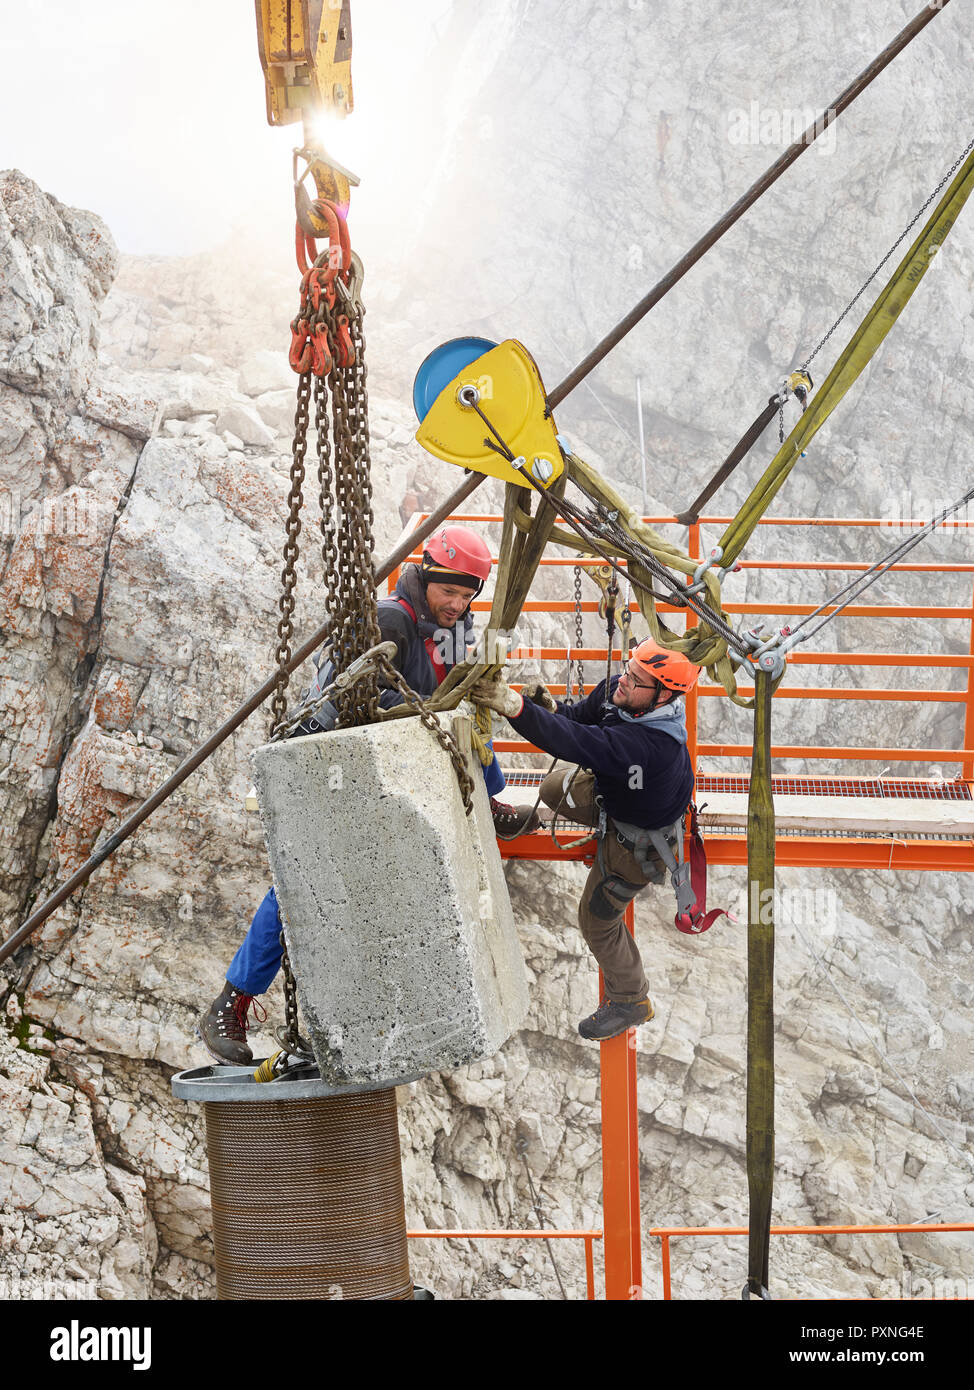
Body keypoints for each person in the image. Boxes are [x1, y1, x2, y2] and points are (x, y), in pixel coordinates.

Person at [198, 525, 539, 1064]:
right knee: (300, 884)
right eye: (449, 590)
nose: (458, 602)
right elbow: (340, 689)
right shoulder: (390, 619)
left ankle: (492, 804)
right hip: (337, 762)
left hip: (393, 774)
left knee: (469, 712)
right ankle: (232, 1002)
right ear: (427, 576)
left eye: (467, 592)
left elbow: (457, 693)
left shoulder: (452, 624)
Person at [470, 638, 701, 1042]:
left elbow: (574, 742)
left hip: (637, 845)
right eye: (628, 670)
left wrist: (518, 709)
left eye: (637, 679)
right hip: (622, 794)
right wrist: (553, 709)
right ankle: (603, 798)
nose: (623, 681)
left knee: (596, 922)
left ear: (662, 696)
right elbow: (579, 720)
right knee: (552, 789)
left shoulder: (650, 746)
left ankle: (632, 999)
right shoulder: (626, 695)